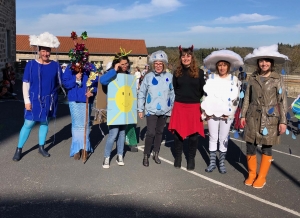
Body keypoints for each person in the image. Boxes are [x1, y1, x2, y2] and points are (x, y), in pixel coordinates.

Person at [241, 44, 289, 188]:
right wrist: (242, 116)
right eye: (261, 61)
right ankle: (252, 174)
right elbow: (247, 98)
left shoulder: (277, 78)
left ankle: (262, 177)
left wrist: (283, 121)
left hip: (270, 117)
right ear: (258, 63)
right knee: (250, 146)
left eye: (267, 61)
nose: (264, 63)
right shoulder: (253, 78)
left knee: (266, 148)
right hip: (253, 115)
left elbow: (282, 101)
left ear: (271, 63)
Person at [12, 32, 62, 161]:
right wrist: (26, 101)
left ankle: (41, 147)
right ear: (39, 51)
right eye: (43, 51)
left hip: (49, 100)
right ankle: (19, 149)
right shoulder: (31, 65)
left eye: (48, 51)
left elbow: (62, 82)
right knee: (28, 123)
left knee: (45, 123)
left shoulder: (55, 66)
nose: (46, 54)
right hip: (34, 99)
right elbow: (25, 84)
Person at [201, 50, 243, 173]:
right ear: (217, 66)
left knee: (223, 138)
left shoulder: (234, 79)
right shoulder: (211, 77)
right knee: (213, 137)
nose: (222, 67)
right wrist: (206, 111)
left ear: (228, 66)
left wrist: (230, 113)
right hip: (212, 113)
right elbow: (206, 95)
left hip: (226, 114)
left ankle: (222, 162)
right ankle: (212, 162)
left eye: (224, 65)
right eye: (220, 65)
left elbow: (236, 98)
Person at [168, 45, 206, 171]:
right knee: (178, 134)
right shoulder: (177, 72)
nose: (185, 58)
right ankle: (178, 157)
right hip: (180, 106)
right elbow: (175, 87)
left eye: (188, 56)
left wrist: (195, 100)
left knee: (194, 136)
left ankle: (191, 158)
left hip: (194, 106)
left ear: (192, 57)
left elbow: (202, 90)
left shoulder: (200, 73)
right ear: (180, 58)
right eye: (183, 56)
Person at [138, 50, 175, 167]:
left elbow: (172, 94)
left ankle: (156, 153)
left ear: (164, 64)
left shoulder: (169, 77)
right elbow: (142, 93)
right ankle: (146, 155)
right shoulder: (148, 77)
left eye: (160, 64)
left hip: (164, 110)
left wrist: (172, 109)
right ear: (153, 64)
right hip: (151, 109)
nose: (158, 66)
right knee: (150, 133)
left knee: (159, 132)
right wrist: (140, 109)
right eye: (156, 63)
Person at [100, 50, 132, 169]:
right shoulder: (112, 73)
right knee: (113, 134)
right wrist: (114, 69)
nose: (124, 66)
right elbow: (102, 81)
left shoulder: (128, 76)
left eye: (126, 64)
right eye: (122, 64)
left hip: (125, 109)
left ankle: (120, 155)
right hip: (114, 109)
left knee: (122, 133)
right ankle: (106, 157)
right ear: (117, 64)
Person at [62, 61, 97, 160]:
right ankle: (76, 149)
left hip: (86, 99)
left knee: (85, 124)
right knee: (76, 124)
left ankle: (85, 148)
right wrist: (75, 79)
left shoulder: (91, 67)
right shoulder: (70, 67)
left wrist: (92, 92)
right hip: (74, 99)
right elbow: (65, 83)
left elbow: (96, 82)